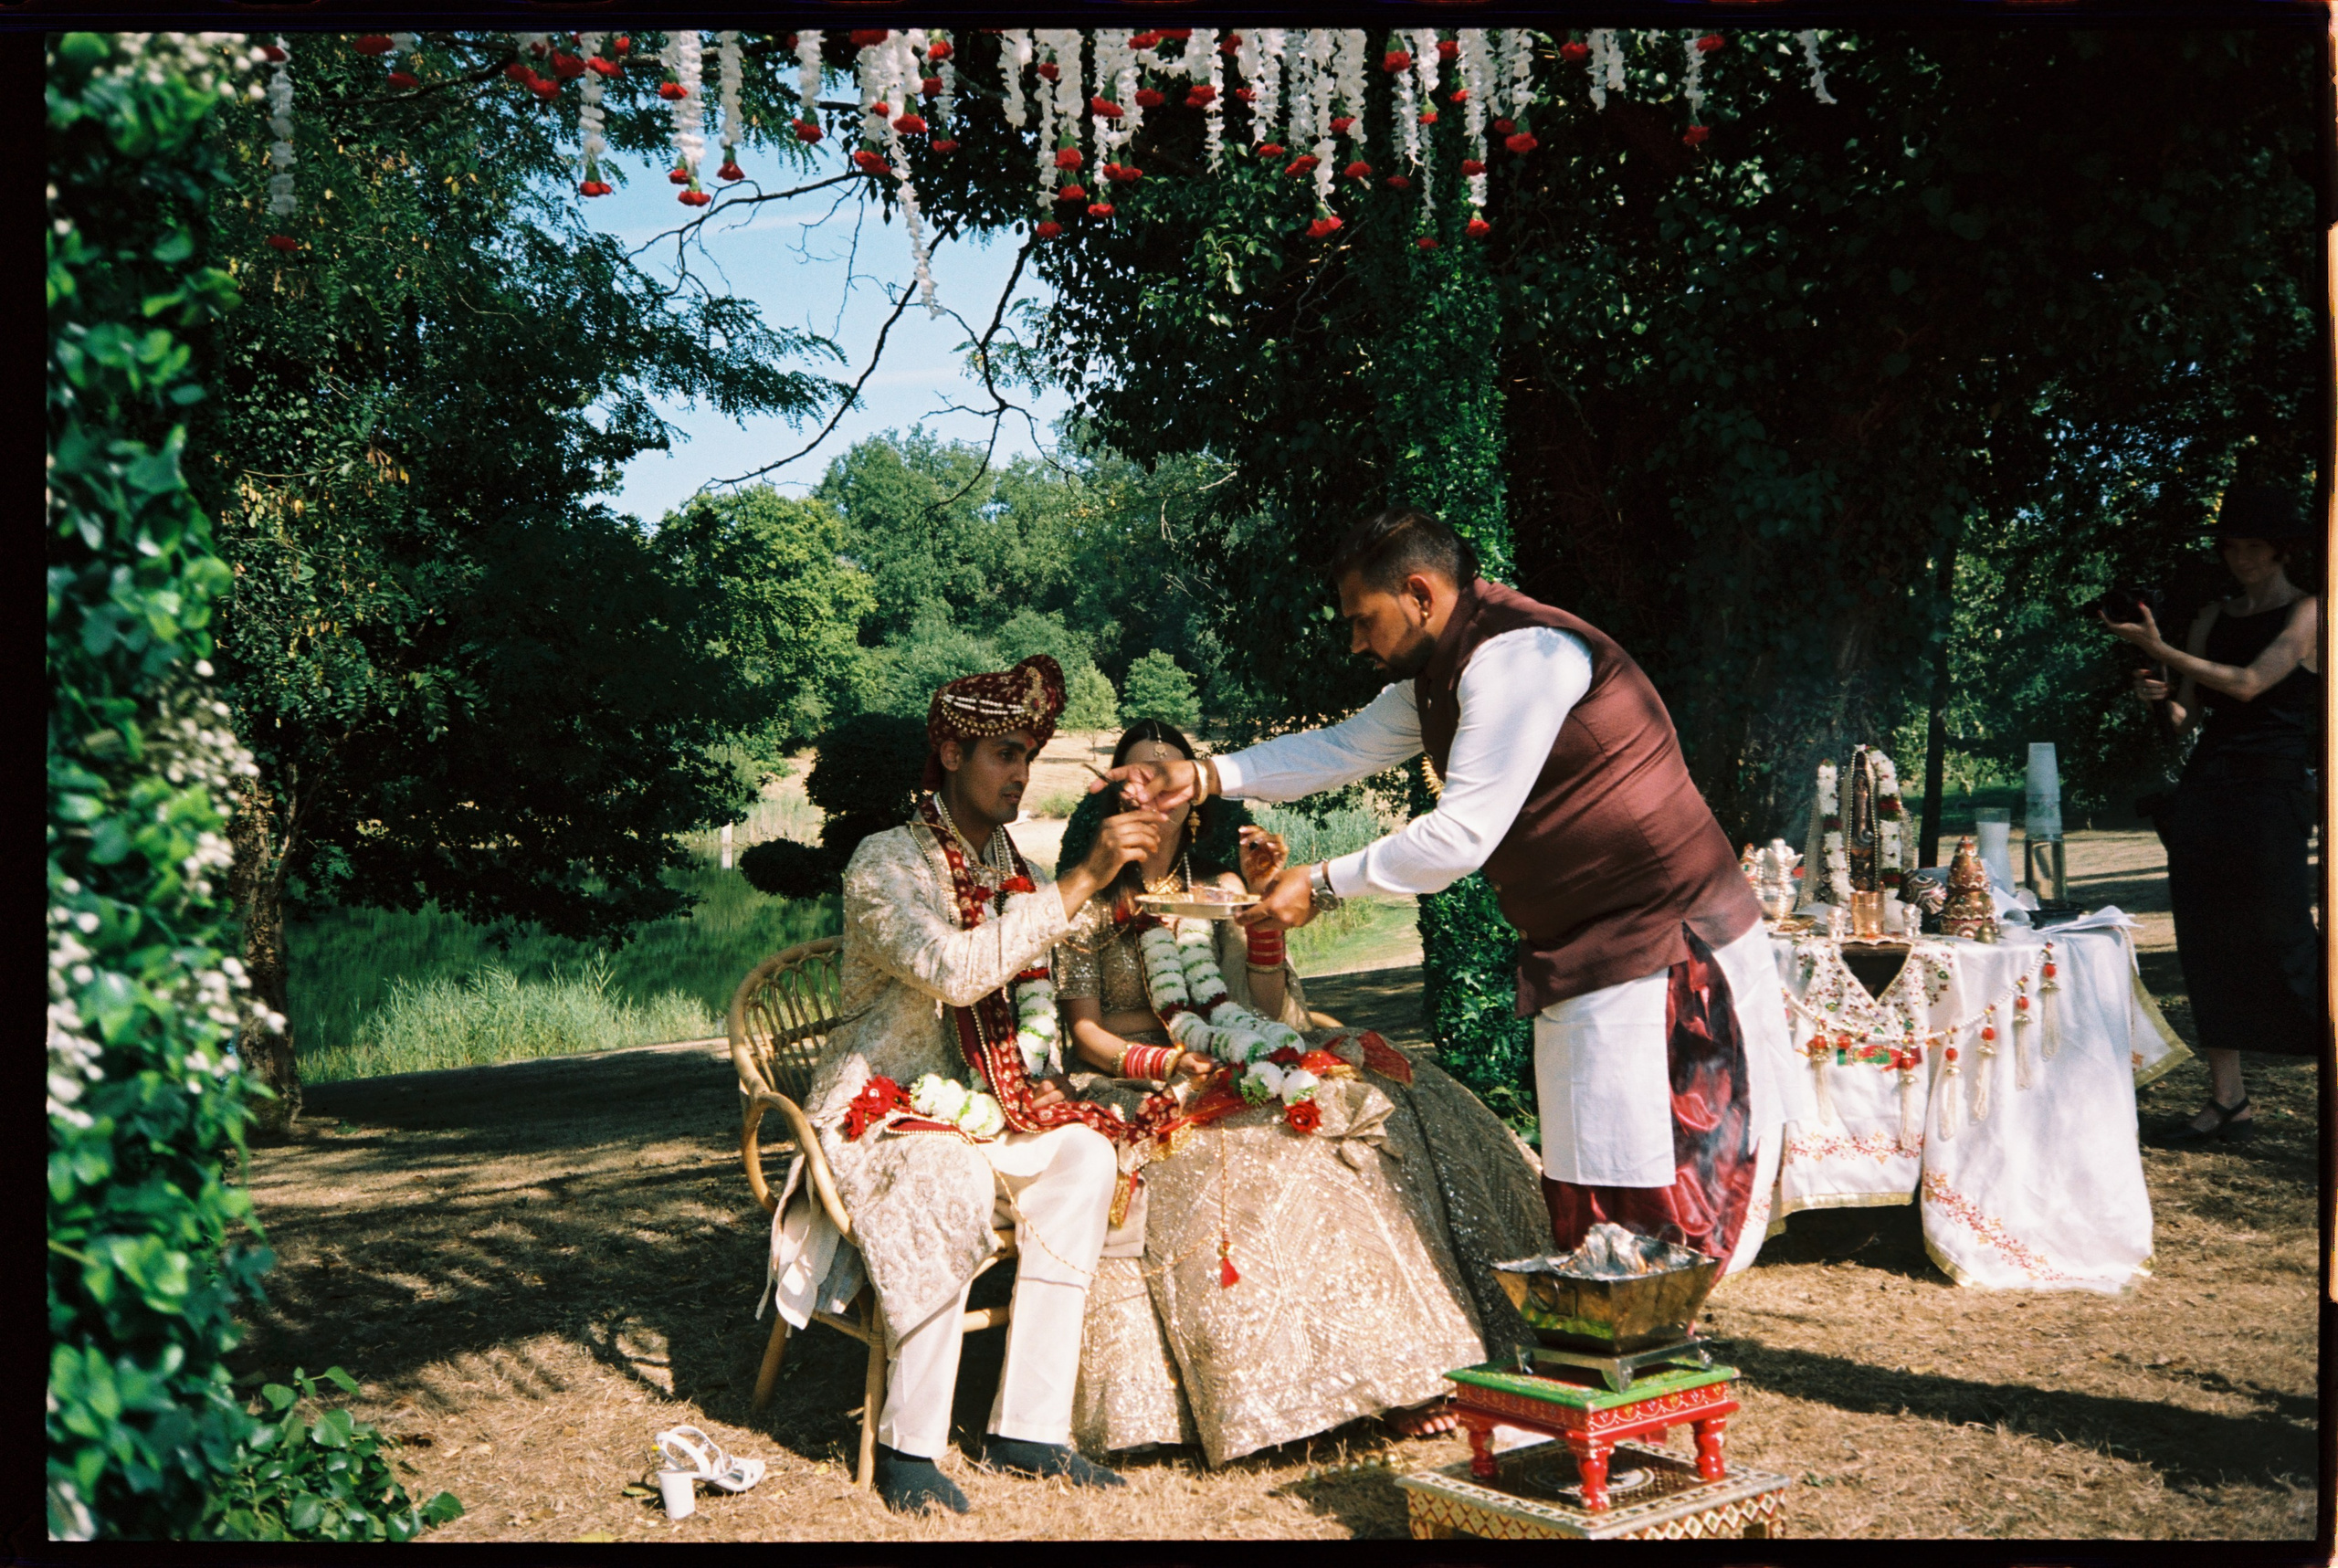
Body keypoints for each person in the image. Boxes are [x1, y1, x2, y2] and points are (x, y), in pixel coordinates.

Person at [1101, 509, 1808, 1274]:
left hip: (1663, 947)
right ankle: (1611, 1334)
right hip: (1583, 955)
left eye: (1363, 618)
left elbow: (1462, 836)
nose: (1355, 642)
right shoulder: (1438, 672)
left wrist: (1326, 883)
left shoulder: (1520, 656)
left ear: (1419, 594)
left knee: (1654, 1205)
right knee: (1588, 1197)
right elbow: (1342, 747)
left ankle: (1654, 1335)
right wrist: (1204, 775)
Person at [1050, 720, 1552, 1466]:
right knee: (1265, 1155)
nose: (1153, 794)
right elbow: (1084, 1031)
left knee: (1382, 1115)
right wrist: (1167, 1061)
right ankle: (1325, 1386)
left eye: (1169, 777)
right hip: (1134, 1078)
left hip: (1236, 1059)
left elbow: (1265, 1011)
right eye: (1137, 777)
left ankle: (1432, 1355)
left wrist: (1262, 911)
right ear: (1113, 797)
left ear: (1193, 801)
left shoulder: (1218, 890)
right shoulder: (1087, 897)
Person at [779, 655, 1174, 1514]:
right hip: (874, 1110)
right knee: (948, 1169)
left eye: (1029, 754)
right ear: (952, 754)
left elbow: (1038, 972)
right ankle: (908, 1446)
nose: (1022, 772)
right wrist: (1081, 875)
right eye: (1004, 753)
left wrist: (1130, 887)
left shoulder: (1007, 864)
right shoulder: (884, 864)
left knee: (1085, 1154)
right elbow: (957, 972)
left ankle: (1029, 1427)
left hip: (980, 1105)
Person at [2103, 484, 2323, 1146]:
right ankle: (2229, 1100)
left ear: (2281, 549)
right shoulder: (2211, 618)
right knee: (2207, 939)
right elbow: (2185, 718)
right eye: (2231, 547)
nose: (2241, 558)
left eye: (2254, 546)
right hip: (2208, 791)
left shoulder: (2311, 610)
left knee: (2285, 933)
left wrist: (2163, 650)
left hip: (2273, 790)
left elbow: (2251, 683)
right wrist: (2156, 694)